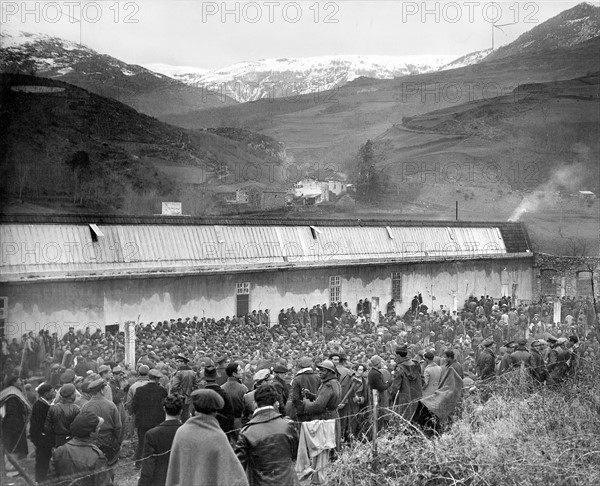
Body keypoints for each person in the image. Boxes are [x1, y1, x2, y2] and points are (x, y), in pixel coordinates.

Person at [165, 389, 249, 486]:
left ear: (194, 409)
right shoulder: (218, 437)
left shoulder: (182, 432)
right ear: (215, 412)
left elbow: (174, 473)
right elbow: (236, 476)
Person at [235, 384, 299, 486]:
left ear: (255, 403)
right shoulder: (288, 425)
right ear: (275, 403)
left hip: (260, 482)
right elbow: (294, 454)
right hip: (288, 481)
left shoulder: (246, 432)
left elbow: (238, 467)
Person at [49, 411, 113, 486]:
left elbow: (50, 480)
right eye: (97, 427)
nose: (99, 429)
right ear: (91, 433)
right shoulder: (97, 457)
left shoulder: (60, 451)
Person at [138, 395, 184, 486]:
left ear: (164, 409)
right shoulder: (187, 433)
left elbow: (148, 468)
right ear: (181, 411)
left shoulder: (152, 434)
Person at [80, 378, 122, 477]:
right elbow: (118, 426)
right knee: (109, 466)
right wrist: (117, 440)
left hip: (91, 441)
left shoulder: (85, 406)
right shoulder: (111, 405)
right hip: (109, 439)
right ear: (102, 390)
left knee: (93, 469)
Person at [132, 369, 168, 469]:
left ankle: (138, 463)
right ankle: (158, 462)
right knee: (157, 441)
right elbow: (166, 404)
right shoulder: (162, 390)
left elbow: (134, 406)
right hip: (157, 421)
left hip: (142, 421)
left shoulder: (139, 390)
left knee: (141, 442)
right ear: (156, 379)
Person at [0, 376, 31, 477]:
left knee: (15, 446)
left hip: (15, 426)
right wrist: (17, 426)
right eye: (18, 380)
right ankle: (11, 470)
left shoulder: (13, 393)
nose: (21, 381)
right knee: (12, 447)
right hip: (12, 427)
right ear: (13, 382)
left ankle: (16, 467)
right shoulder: (11, 397)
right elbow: (11, 414)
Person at [29, 382, 56, 483]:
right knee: (42, 461)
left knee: (45, 460)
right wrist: (42, 440)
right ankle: (40, 481)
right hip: (42, 440)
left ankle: (42, 479)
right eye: (52, 392)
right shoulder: (40, 406)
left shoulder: (43, 404)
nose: (54, 393)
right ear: (45, 394)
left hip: (43, 439)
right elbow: (38, 426)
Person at [389, 344, 423, 422]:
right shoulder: (416, 365)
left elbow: (394, 388)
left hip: (405, 401)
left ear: (398, 355)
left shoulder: (399, 369)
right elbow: (423, 380)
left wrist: (390, 397)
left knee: (405, 422)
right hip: (418, 398)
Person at [221, 361, 249, 440]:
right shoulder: (243, 388)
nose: (242, 372)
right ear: (234, 374)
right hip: (239, 421)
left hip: (225, 422)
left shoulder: (222, 388)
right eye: (240, 370)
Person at [291, 356, 321, 422]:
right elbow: (320, 395)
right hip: (316, 410)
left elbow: (295, 398)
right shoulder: (318, 377)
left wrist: (301, 409)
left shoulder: (297, 379)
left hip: (302, 412)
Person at [170, 355, 199, 422]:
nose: (176, 364)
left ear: (182, 362)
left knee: (178, 413)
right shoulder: (192, 372)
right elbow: (196, 385)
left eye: (178, 362)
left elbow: (174, 386)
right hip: (189, 396)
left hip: (179, 396)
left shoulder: (179, 373)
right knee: (186, 412)